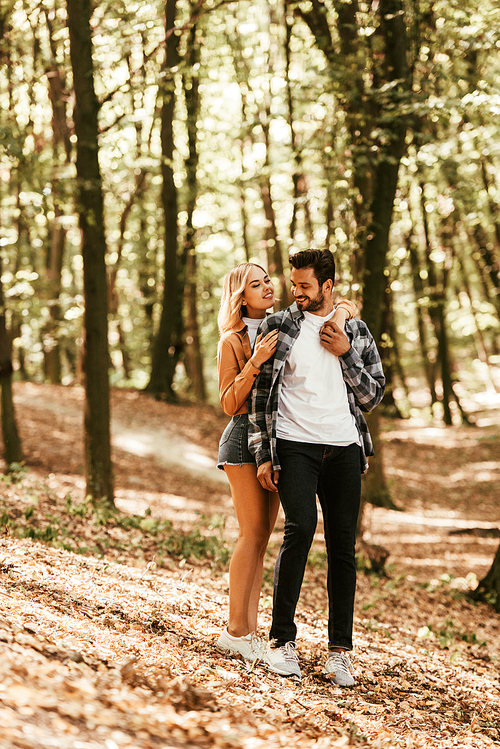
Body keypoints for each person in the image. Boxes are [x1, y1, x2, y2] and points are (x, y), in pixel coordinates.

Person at [248, 249, 385, 685]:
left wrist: (346, 353)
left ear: (328, 286)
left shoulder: (355, 331)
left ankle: (339, 652)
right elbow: (260, 397)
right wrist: (263, 454)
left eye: (305, 286)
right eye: (294, 285)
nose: (296, 293)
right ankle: (281, 642)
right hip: (294, 445)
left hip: (344, 449)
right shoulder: (277, 327)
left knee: (343, 546)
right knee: (300, 528)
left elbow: (372, 396)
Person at [215, 261, 357, 662]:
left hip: (275, 441)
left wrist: (343, 313)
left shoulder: (284, 323)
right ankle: (237, 631)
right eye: (255, 285)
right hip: (244, 439)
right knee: (252, 534)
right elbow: (229, 402)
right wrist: (255, 360)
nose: (267, 289)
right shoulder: (234, 339)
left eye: (266, 282)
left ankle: (250, 632)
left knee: (263, 539)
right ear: (240, 296)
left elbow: (339, 302)